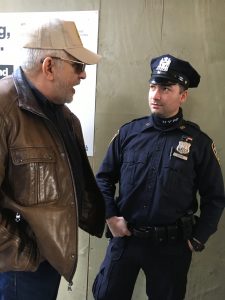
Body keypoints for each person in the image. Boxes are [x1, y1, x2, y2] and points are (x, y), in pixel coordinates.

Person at [92, 54, 225, 300]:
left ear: (182, 95)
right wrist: (110, 216)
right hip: (126, 239)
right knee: (107, 294)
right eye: (153, 87)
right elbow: (103, 179)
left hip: (171, 246)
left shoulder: (198, 143)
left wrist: (197, 238)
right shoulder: (128, 133)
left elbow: (215, 197)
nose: (155, 95)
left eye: (165, 89)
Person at [0, 18, 105, 300]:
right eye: (78, 66)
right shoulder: (4, 108)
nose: (83, 76)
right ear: (49, 66)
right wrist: (26, 253)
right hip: (17, 268)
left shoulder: (66, 118)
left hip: (48, 260)